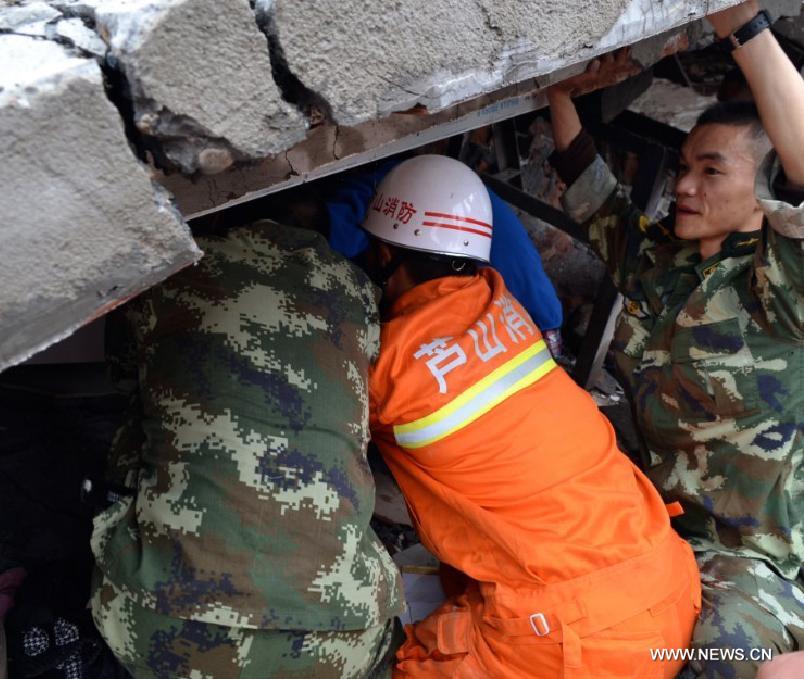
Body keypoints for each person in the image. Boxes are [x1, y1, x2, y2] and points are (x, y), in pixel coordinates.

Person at [363, 153, 701, 677]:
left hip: (580, 643)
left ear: (383, 253)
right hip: (668, 581)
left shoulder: (387, 370)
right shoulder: (502, 303)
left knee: (389, 663)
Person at [546, 2, 804, 677]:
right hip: (643, 515)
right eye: (685, 165)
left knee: (717, 661)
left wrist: (741, 24)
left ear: (766, 192)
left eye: (711, 171)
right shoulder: (664, 263)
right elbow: (593, 194)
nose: (683, 185)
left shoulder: (783, 292)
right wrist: (560, 92)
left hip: (749, 559)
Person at [89, 218, 404, 678]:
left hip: (159, 623)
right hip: (343, 642)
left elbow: (119, 369)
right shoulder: (355, 291)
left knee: (143, 416)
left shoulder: (166, 271)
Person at [325, 158, 566, 358]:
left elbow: (339, 240)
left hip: (530, 333)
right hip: (538, 334)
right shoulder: (459, 192)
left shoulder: (377, 202)